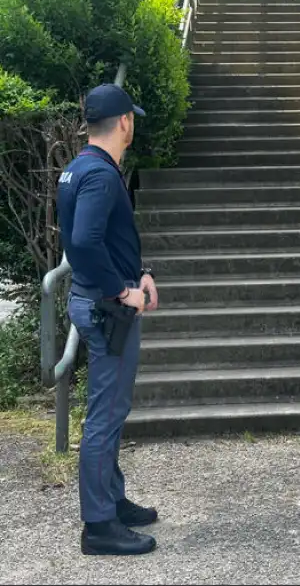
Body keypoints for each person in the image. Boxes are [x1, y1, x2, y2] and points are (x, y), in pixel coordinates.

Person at [57, 83, 160, 554]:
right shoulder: (100, 175)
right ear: (124, 122)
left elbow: (108, 238)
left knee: (112, 411)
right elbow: (82, 242)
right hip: (107, 308)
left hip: (99, 300)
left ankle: (112, 500)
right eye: (132, 117)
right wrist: (123, 291)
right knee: (105, 415)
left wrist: (141, 272)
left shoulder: (80, 169)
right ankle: (98, 526)